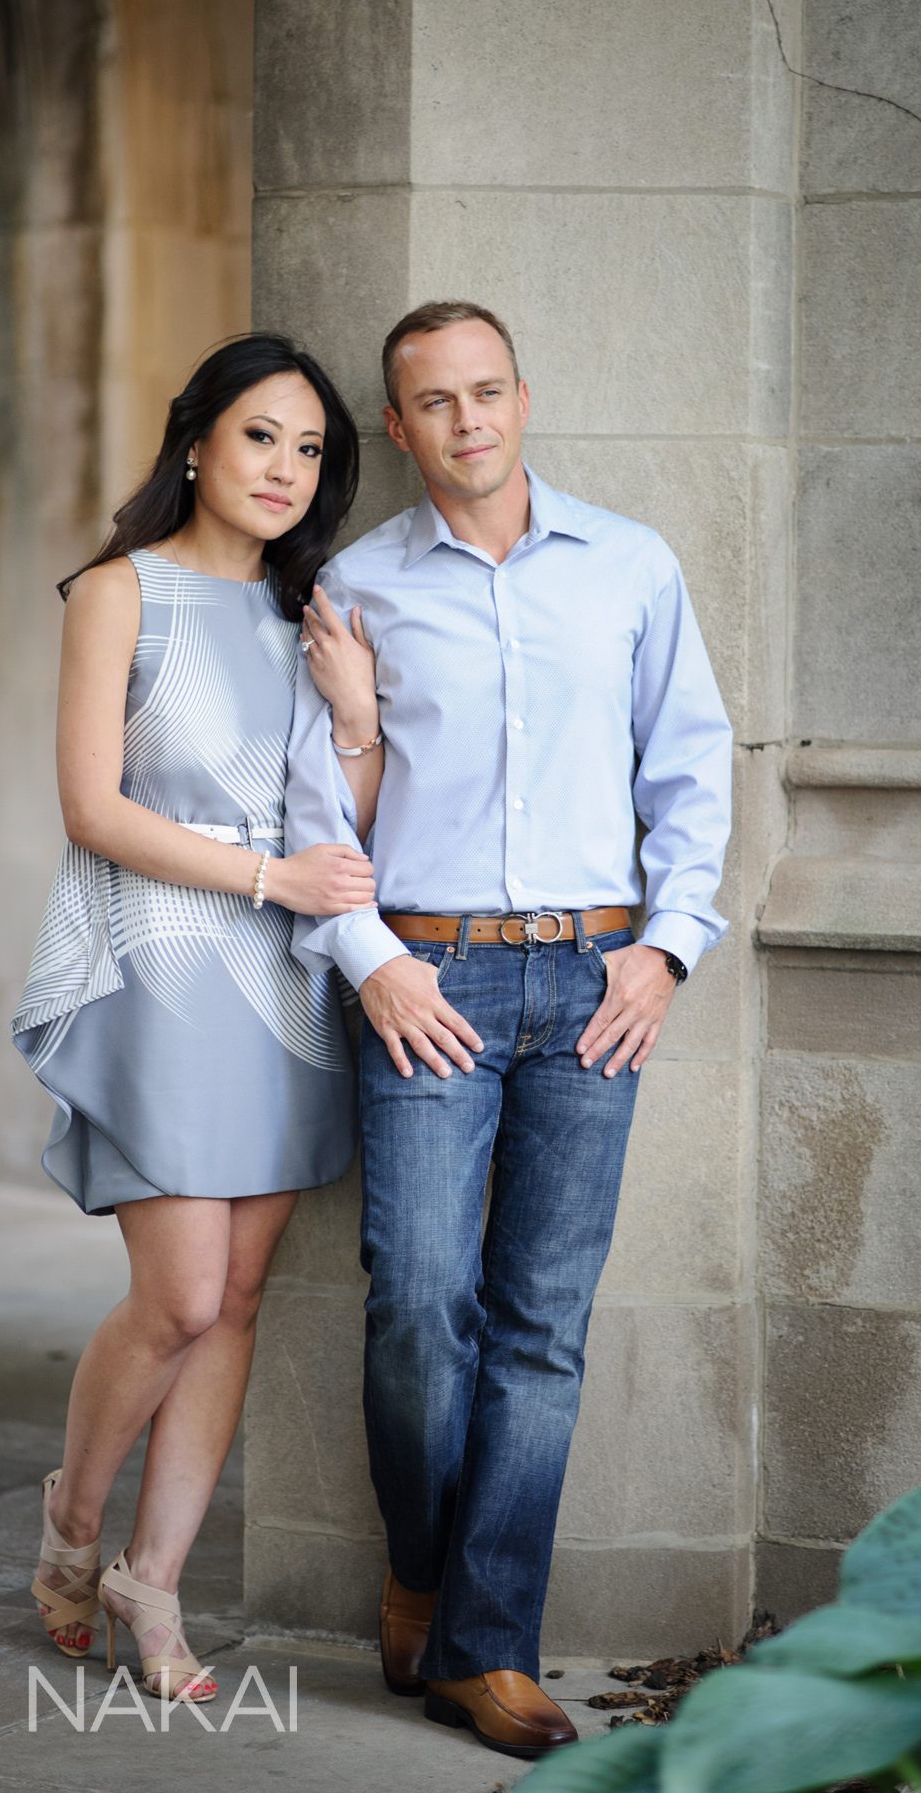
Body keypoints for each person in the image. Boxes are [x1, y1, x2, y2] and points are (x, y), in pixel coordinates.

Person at [285, 300, 732, 1761]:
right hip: (430, 987)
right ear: (399, 430)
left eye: (487, 392)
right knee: (419, 1299)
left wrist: (664, 953)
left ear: (523, 401)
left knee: (543, 1324)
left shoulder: (632, 568)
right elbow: (314, 816)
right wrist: (370, 959)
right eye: (434, 402)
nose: (466, 420)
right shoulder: (358, 586)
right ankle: (420, 1565)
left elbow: (691, 768)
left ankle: (485, 1647)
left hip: (598, 983)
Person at [11, 334, 379, 1704]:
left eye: (309, 449)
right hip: (165, 953)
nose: (285, 468)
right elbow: (93, 810)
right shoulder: (122, 592)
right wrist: (268, 874)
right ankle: (70, 1526)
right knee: (173, 1298)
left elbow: (351, 833)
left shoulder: (313, 616)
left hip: (288, 977)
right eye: (259, 437)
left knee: (235, 1302)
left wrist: (354, 724)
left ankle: (151, 1590)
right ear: (195, 445)